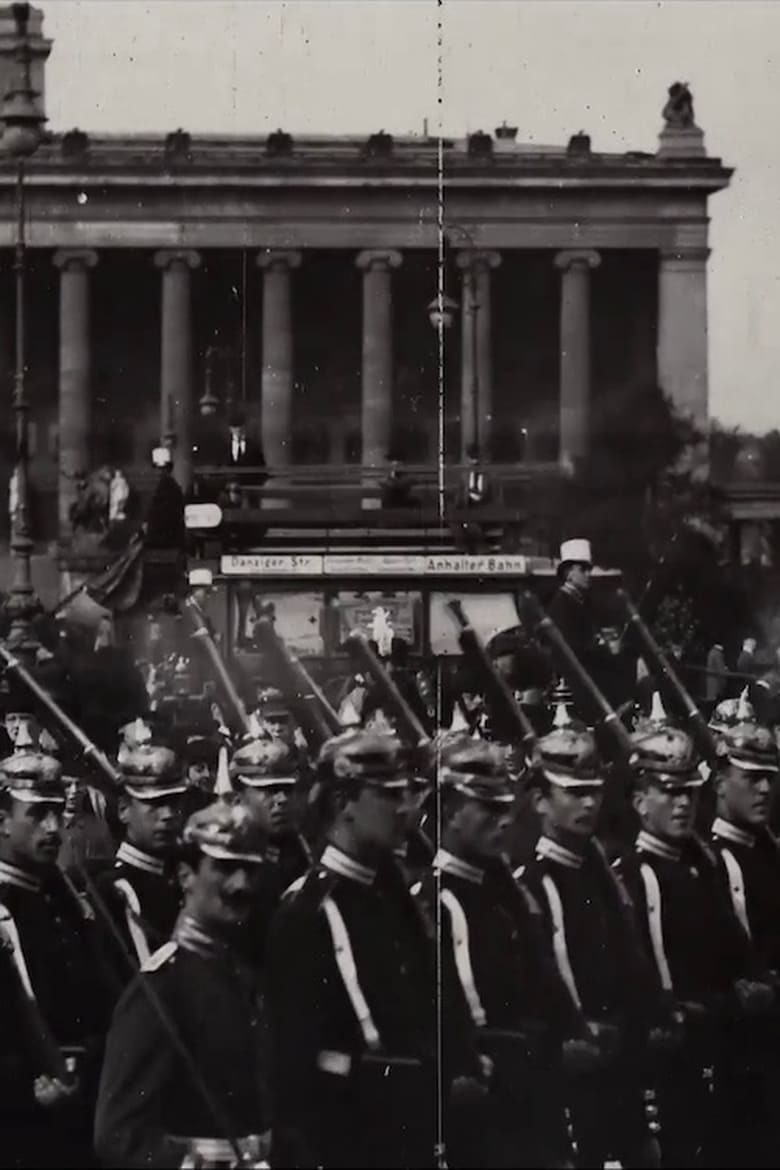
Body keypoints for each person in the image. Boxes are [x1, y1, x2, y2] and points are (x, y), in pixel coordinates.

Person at [266, 730, 444, 1168]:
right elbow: (295, 1062)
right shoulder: (307, 911)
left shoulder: (390, 894)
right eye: (386, 795)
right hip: (352, 1140)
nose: (404, 809)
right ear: (344, 801)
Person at [618, 704, 775, 1168]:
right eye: (669, 792)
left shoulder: (698, 864)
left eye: (689, 792)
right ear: (638, 799)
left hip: (717, 1046)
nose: (684, 803)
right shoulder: (636, 873)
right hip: (674, 1054)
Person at [415, 735, 578, 1168]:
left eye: (506, 808)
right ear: (449, 809)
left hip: (530, 1099)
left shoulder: (504, 893)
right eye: (488, 808)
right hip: (481, 1110)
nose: (503, 821)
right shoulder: (433, 901)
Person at [94, 795, 272, 1169]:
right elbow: (117, 1134)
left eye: (250, 869)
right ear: (186, 876)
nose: (241, 884)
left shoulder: (241, 974)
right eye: (224, 867)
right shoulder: (162, 987)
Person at [520, 711, 661, 1169]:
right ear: (540, 801)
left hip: (620, 1060)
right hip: (568, 1069)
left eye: (593, 793)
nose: (588, 806)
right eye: (574, 794)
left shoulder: (602, 872)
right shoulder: (532, 882)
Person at [0, 732, 114, 1168]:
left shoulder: (63, 899)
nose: (53, 827)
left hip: (80, 1107)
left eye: (55, 812)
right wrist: (24, 1087)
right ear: (3, 821)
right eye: (37, 814)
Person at [90, 719, 190, 988]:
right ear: (123, 810)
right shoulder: (116, 890)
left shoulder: (185, 869)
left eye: (172, 803)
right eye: (154, 804)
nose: (167, 815)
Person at [705, 642, 728, 711]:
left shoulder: (712, 652)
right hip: (716, 682)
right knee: (716, 703)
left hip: (712, 682)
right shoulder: (718, 654)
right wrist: (725, 670)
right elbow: (720, 669)